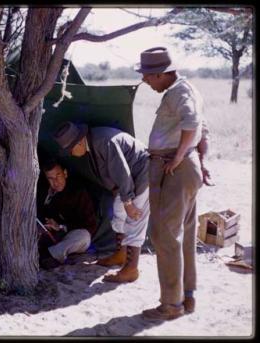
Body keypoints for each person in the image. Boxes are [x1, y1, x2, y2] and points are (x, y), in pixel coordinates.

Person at [133, 46, 209, 321]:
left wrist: (177, 158)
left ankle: (171, 305)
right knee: (183, 235)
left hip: (172, 168)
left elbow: (193, 123)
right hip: (184, 166)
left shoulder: (179, 92)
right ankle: (186, 297)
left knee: (165, 237)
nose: (145, 81)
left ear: (163, 74)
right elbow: (203, 129)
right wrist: (201, 161)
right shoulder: (186, 90)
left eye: (149, 76)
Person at [53, 122, 150, 283]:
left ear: (78, 142)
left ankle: (131, 269)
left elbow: (122, 171)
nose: (70, 153)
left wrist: (129, 203)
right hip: (129, 182)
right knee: (119, 212)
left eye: (70, 149)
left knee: (134, 219)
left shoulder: (104, 142)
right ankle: (121, 254)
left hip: (142, 174)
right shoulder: (93, 142)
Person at [37, 160, 97, 270]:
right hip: (49, 234)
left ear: (65, 173)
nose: (55, 181)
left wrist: (60, 226)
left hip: (70, 234)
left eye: (58, 176)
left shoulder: (78, 191)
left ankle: (50, 256)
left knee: (84, 238)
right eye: (50, 178)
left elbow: (89, 224)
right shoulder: (44, 191)